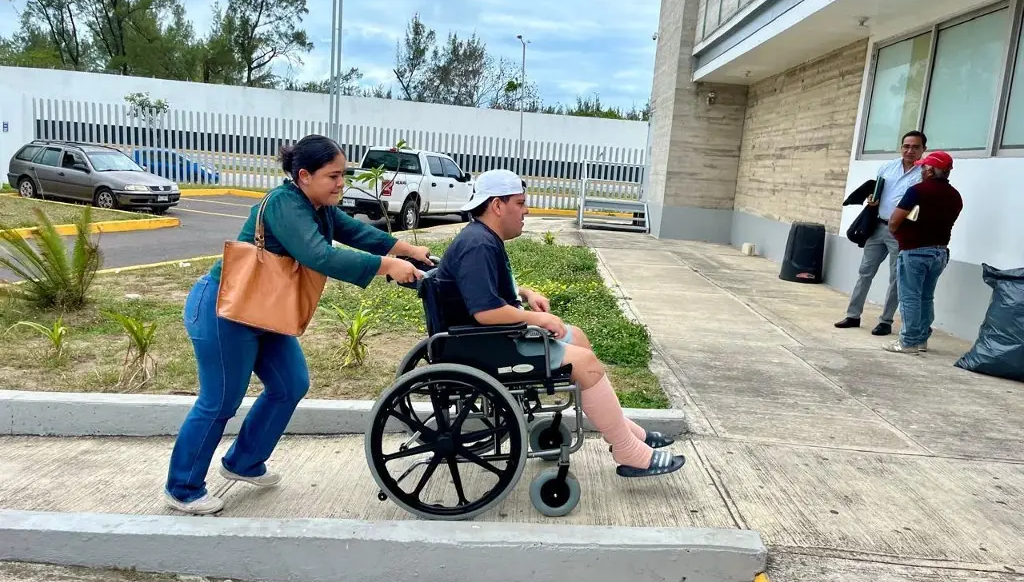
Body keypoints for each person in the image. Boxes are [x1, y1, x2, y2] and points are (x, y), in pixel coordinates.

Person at [164, 134, 430, 514]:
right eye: (333, 175)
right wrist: (387, 266)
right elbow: (317, 254)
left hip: (264, 309)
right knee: (220, 400)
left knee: (291, 384)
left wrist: (406, 250)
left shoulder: (318, 206)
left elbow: (357, 233)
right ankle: (182, 487)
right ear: (304, 175)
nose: (341, 183)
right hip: (226, 309)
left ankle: (243, 461)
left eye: (344, 174)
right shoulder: (286, 204)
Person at [434, 169, 685, 478]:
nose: (526, 210)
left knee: (576, 337)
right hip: (486, 345)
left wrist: (524, 293)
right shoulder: (479, 245)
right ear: (498, 206)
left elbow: (483, 291)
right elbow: (486, 312)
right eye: (520, 202)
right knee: (586, 364)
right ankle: (627, 449)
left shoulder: (481, 238)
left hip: (485, 339)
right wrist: (536, 317)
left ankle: (625, 431)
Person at [835, 130, 927, 336]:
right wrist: (871, 199)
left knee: (897, 277)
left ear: (923, 149)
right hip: (878, 227)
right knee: (865, 272)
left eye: (915, 147)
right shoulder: (888, 167)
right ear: (901, 147)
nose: (910, 150)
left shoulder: (924, 173)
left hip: (903, 231)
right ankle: (853, 315)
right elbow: (878, 191)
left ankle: (885, 321)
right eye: (906, 146)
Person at [884, 151, 963, 354]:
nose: (921, 170)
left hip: (914, 251)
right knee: (926, 297)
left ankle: (908, 342)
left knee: (910, 297)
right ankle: (921, 339)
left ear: (929, 170)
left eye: (923, 167)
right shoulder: (955, 196)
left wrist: (898, 234)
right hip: (940, 252)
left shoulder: (917, 191)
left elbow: (893, 221)